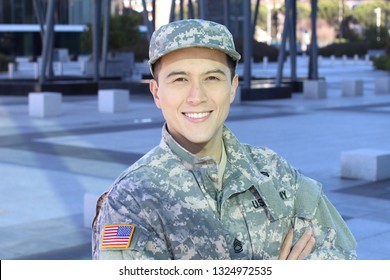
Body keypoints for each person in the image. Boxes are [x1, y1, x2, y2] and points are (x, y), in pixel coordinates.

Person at [92, 19, 357, 260]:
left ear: (232, 87)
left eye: (212, 78)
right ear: (156, 93)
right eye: (180, 79)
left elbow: (346, 258)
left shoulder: (274, 172)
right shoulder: (132, 200)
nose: (197, 96)